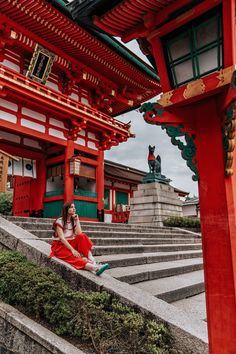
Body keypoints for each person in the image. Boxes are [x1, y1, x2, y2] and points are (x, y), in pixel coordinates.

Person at [49, 201, 109, 276]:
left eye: (74, 207)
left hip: (70, 243)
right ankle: (95, 268)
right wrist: (72, 250)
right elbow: (62, 239)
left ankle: (92, 260)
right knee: (73, 258)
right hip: (59, 246)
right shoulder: (60, 221)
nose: (74, 209)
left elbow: (79, 233)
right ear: (66, 209)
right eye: (71, 207)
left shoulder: (73, 220)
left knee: (82, 236)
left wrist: (77, 220)